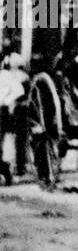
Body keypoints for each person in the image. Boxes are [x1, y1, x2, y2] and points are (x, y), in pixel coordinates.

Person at [0, 52, 30, 185]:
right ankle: (11, 168)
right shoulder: (10, 75)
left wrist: (9, 102)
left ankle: (6, 169)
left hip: (5, 111)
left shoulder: (6, 76)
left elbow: (18, 92)